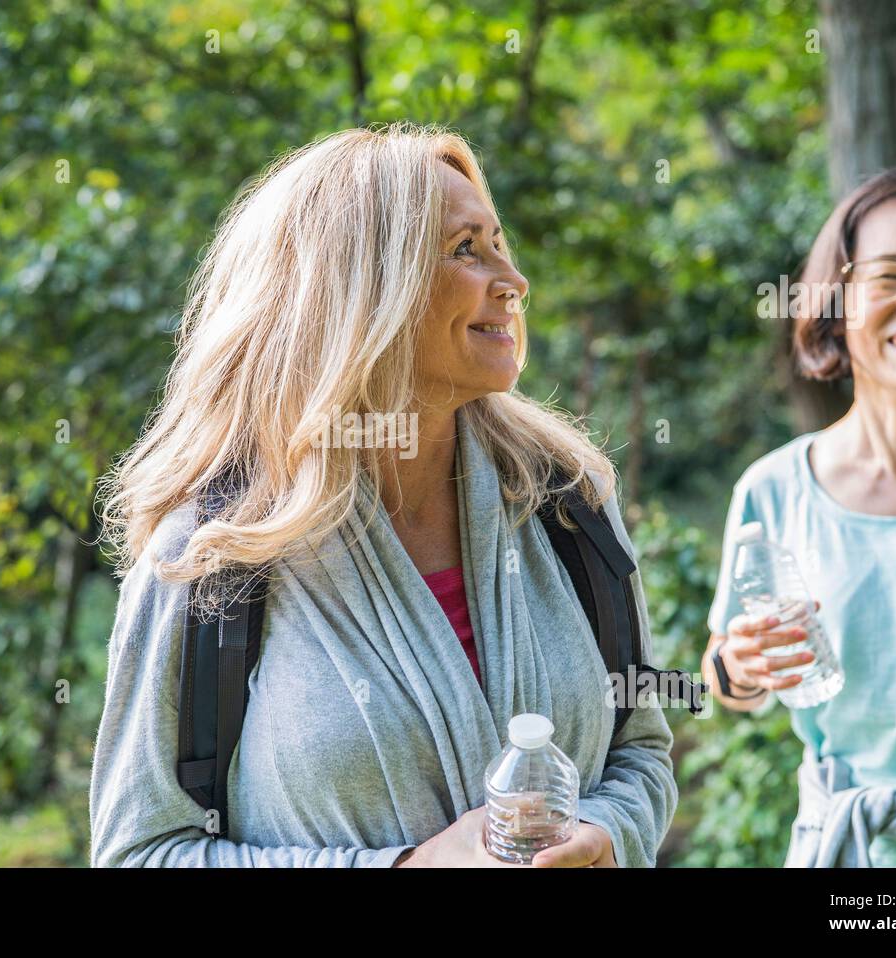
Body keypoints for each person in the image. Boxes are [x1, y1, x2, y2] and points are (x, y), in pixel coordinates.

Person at [89, 122, 676, 867]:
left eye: (500, 243)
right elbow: (142, 852)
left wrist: (609, 837)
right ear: (360, 291)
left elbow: (642, 748)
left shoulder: (566, 498)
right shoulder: (212, 557)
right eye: (467, 250)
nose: (514, 281)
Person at [702, 168, 896, 867]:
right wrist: (742, 667)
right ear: (836, 299)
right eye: (890, 276)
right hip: (849, 855)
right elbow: (726, 675)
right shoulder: (775, 488)